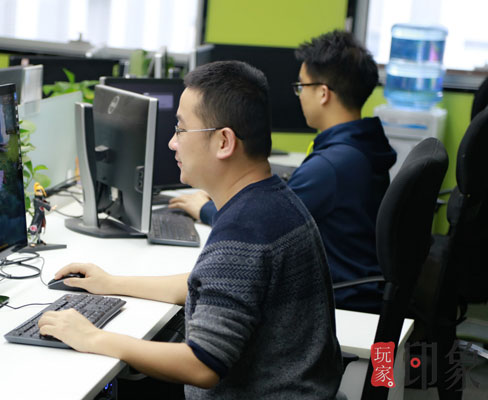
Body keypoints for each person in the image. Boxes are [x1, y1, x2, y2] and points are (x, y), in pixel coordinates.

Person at [38, 60, 343, 399]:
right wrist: (111, 283)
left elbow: (202, 363)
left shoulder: (245, 230)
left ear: (224, 141)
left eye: (181, 129)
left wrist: (92, 337)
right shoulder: (271, 199)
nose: (172, 142)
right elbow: (207, 282)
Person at [171, 30, 396, 314]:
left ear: (323, 93)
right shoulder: (361, 145)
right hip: (357, 287)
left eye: (301, 86)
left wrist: (204, 208)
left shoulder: (330, 166)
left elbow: (262, 223)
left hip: (340, 302)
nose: (298, 95)